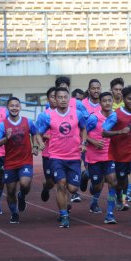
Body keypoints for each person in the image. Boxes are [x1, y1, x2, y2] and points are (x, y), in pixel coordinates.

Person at [36, 87, 87, 228]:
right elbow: (39, 133)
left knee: (72, 189)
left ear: (69, 98)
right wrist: (40, 144)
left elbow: (84, 129)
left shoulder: (77, 114)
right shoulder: (48, 116)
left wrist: (84, 143)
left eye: (65, 97)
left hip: (74, 156)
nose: (63, 100)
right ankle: (64, 215)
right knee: (61, 184)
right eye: (60, 97)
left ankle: (83, 175)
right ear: (55, 99)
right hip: (56, 157)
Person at [102, 85, 131, 226]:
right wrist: (120, 131)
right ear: (123, 99)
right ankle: (111, 210)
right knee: (117, 183)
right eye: (129, 99)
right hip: (118, 155)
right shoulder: (115, 115)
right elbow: (104, 132)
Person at [0, 97, 39, 223]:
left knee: (24, 184)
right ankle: (14, 213)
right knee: (11, 190)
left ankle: (22, 196)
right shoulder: (2, 125)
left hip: (25, 160)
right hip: (10, 162)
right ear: (7, 108)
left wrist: (35, 146)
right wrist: (6, 139)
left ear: (20, 107)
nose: (14, 108)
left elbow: (35, 133)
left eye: (17, 105)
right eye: (12, 106)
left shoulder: (28, 122)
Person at [53, 76, 89, 203]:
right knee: (60, 182)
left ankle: (75, 190)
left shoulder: (77, 104)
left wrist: (83, 140)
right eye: (61, 87)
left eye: (65, 86)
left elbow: (86, 120)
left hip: (76, 144)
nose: (63, 89)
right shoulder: (52, 103)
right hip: (57, 146)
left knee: (73, 175)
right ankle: (65, 206)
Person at [85, 92, 119, 223]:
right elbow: (82, 134)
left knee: (113, 182)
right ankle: (87, 175)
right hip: (94, 157)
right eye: (104, 101)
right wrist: (93, 142)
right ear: (100, 103)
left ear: (112, 102)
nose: (107, 103)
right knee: (97, 187)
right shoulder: (94, 118)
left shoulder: (115, 117)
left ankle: (110, 213)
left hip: (110, 156)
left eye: (109, 101)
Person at [39, 87, 57, 203]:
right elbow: (37, 133)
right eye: (52, 96)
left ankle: (64, 209)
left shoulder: (70, 113)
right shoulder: (44, 115)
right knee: (50, 182)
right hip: (48, 154)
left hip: (65, 153)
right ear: (48, 99)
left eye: (58, 96)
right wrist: (45, 138)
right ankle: (46, 186)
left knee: (62, 182)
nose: (55, 99)